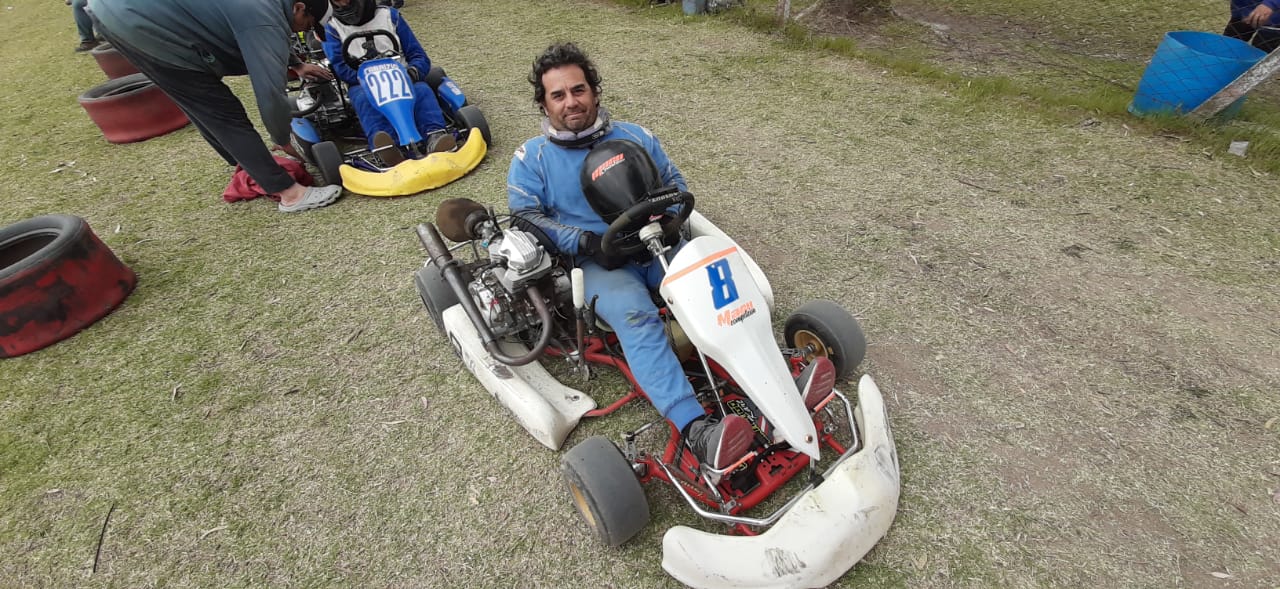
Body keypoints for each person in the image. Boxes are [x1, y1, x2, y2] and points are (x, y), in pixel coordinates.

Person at [506, 42, 753, 470]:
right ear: (544, 104)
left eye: (578, 90)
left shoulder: (635, 137)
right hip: (599, 263)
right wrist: (583, 242)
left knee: (719, 292)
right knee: (636, 316)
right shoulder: (532, 159)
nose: (571, 102)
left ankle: (771, 377)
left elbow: (674, 181)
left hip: (658, 242)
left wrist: (669, 218)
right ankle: (697, 429)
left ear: (594, 91)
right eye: (558, 95)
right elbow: (525, 215)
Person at [85, 0, 344, 213]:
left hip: (112, 11)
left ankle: (245, 162)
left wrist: (296, 64)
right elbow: (269, 90)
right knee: (219, 110)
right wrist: (282, 137)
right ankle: (290, 194)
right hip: (138, 19)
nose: (303, 31)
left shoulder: (272, 6)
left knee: (197, 101)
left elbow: (263, 33)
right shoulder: (262, 15)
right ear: (299, 7)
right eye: (308, 24)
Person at [321, 0, 454, 165]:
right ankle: (388, 148)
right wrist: (365, 78)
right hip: (362, 82)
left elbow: (418, 55)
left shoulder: (389, 16)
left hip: (401, 76)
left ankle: (434, 135)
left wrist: (412, 73)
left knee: (421, 90)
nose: (343, 4)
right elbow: (340, 67)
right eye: (337, 1)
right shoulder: (332, 27)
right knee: (362, 99)